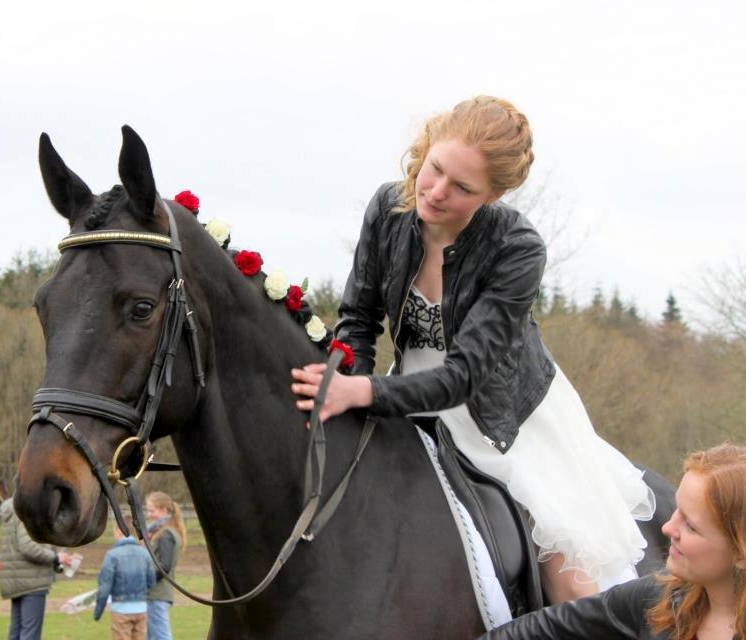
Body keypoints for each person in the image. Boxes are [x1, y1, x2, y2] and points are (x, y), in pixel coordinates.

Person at [290, 95, 655, 603]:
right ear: (427, 146)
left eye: (462, 188)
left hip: (507, 420)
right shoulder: (386, 207)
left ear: (495, 194)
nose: (436, 192)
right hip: (408, 397)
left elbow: (464, 376)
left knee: (569, 581)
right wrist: (342, 382)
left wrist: (362, 392)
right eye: (435, 169)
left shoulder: (518, 248)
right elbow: (358, 319)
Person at [479, 443, 746, 639]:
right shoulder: (655, 599)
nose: (667, 527)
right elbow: (534, 632)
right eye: (677, 511)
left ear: (740, 553)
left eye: (691, 527)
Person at [0, 497, 72, 640]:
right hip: (32, 581)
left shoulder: (13, 509)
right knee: (30, 634)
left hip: (17, 580)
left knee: (16, 632)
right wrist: (56, 557)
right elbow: (28, 546)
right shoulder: (26, 509)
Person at [94, 514, 157, 640]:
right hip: (141, 609)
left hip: (121, 610)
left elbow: (104, 587)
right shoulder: (145, 554)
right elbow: (151, 581)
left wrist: (98, 612)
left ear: (118, 531)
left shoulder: (112, 555)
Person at [145, 492, 185, 640]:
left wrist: (143, 581)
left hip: (157, 594)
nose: (148, 514)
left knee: (161, 636)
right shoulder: (160, 532)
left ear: (164, 510)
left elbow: (164, 567)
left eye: (152, 510)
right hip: (155, 594)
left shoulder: (165, 535)